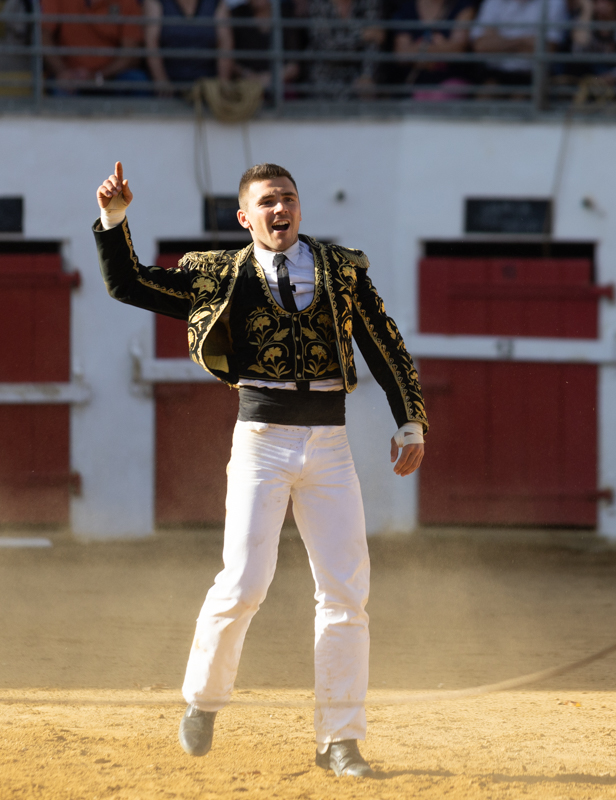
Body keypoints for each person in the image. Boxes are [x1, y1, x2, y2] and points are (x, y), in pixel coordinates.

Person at [92, 161, 428, 777]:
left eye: (289, 198)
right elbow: (130, 284)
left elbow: (385, 343)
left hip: (330, 443)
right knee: (245, 581)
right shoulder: (218, 274)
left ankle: (340, 741)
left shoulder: (341, 269)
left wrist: (410, 419)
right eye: (268, 201)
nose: (281, 209)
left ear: (300, 207)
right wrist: (115, 220)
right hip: (261, 441)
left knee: (346, 592)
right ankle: (203, 699)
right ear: (245, 217)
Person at [40, 0, 150, 94]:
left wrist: (98, 76)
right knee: (60, 88)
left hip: (111, 76)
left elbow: (130, 53)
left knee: (137, 80)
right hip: (69, 75)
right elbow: (42, 35)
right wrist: (62, 71)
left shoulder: (128, 2)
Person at [471, 0, 569, 92]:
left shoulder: (554, 3)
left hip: (534, 76)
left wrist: (499, 41)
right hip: (495, 74)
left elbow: (549, 48)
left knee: (523, 95)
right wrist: (523, 42)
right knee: (487, 92)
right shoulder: (493, 2)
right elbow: (481, 46)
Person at [390, 0, 477, 100]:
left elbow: (458, 49)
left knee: (440, 96)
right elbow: (402, 54)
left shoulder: (463, 6)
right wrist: (441, 48)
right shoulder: (407, 7)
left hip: (451, 80)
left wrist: (420, 49)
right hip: (415, 83)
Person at [146, 0, 234, 95]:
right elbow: (151, 43)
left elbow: (225, 43)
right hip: (170, 83)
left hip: (208, 84)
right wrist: (161, 80)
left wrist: (222, 83)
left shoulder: (216, 3)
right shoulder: (156, 2)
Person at [307, 0, 386, 98]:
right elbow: (327, 46)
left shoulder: (369, 3)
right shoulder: (318, 4)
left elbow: (374, 41)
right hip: (324, 76)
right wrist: (362, 35)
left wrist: (367, 75)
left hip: (358, 76)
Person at [229, 0, 306, 89]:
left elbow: (295, 64)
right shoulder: (237, 15)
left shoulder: (286, 13)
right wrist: (250, 76)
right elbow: (229, 59)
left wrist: (270, 78)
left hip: (283, 86)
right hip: (246, 86)